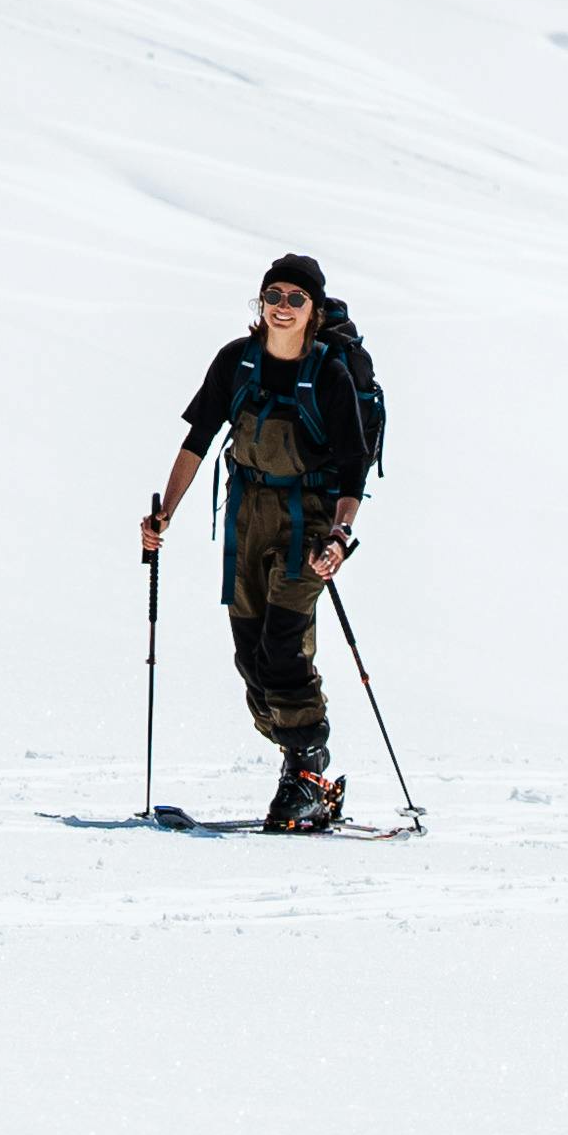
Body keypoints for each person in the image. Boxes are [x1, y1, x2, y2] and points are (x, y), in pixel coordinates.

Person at [138, 254, 382, 832]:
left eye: (295, 298)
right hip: (248, 513)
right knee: (250, 653)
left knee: (282, 645)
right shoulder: (236, 362)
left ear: (314, 312)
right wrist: (165, 514)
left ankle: (306, 769)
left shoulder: (330, 374)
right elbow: (198, 438)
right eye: (272, 294)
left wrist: (341, 537)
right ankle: (304, 765)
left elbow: (353, 469)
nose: (281, 305)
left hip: (310, 518)